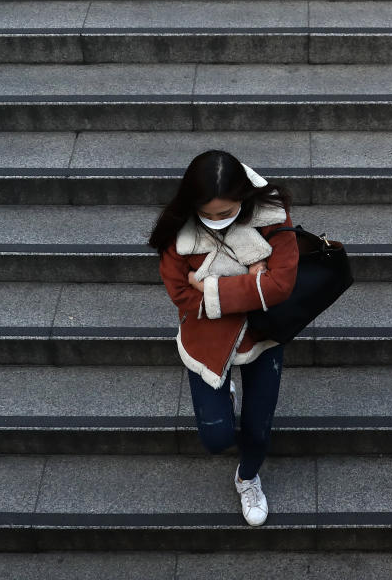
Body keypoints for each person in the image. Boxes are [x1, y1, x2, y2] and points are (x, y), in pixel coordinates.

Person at [147, 149, 298, 526]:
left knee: (258, 427)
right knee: (215, 438)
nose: (217, 221)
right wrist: (252, 278)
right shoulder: (177, 232)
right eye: (209, 215)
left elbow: (281, 285)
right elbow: (181, 295)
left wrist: (210, 288)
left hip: (263, 336)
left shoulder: (272, 219)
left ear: (243, 200)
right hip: (207, 342)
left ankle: (247, 478)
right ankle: (225, 391)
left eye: (227, 212)